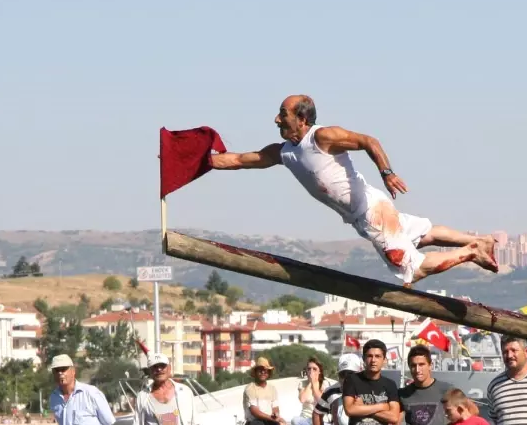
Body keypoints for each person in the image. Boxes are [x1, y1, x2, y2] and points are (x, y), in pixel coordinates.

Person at [208, 95, 499, 285]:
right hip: (370, 208)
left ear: (302, 119)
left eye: (282, 114)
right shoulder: (284, 152)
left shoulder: (321, 136)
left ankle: (471, 251)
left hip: (372, 214)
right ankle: (481, 240)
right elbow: (237, 160)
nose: (276, 120)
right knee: (425, 233)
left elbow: (368, 141)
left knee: (414, 270)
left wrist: (387, 172)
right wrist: (196, 161)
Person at [243, 356, 285, 425]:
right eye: (260, 370)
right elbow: (255, 412)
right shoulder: (250, 388)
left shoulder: (272, 388)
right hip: (254, 422)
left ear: (268, 373)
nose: (263, 372)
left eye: (265, 370)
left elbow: (275, 407)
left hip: (269, 421)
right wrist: (271, 418)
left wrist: (275, 415)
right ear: (255, 372)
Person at [294, 357, 330, 425]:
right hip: (306, 419)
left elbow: (321, 401)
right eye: (309, 369)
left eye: (314, 369)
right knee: (295, 421)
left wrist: (314, 384)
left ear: (319, 371)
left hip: (321, 420)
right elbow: (302, 399)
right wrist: (310, 383)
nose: (311, 371)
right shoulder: (302, 383)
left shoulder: (325, 384)